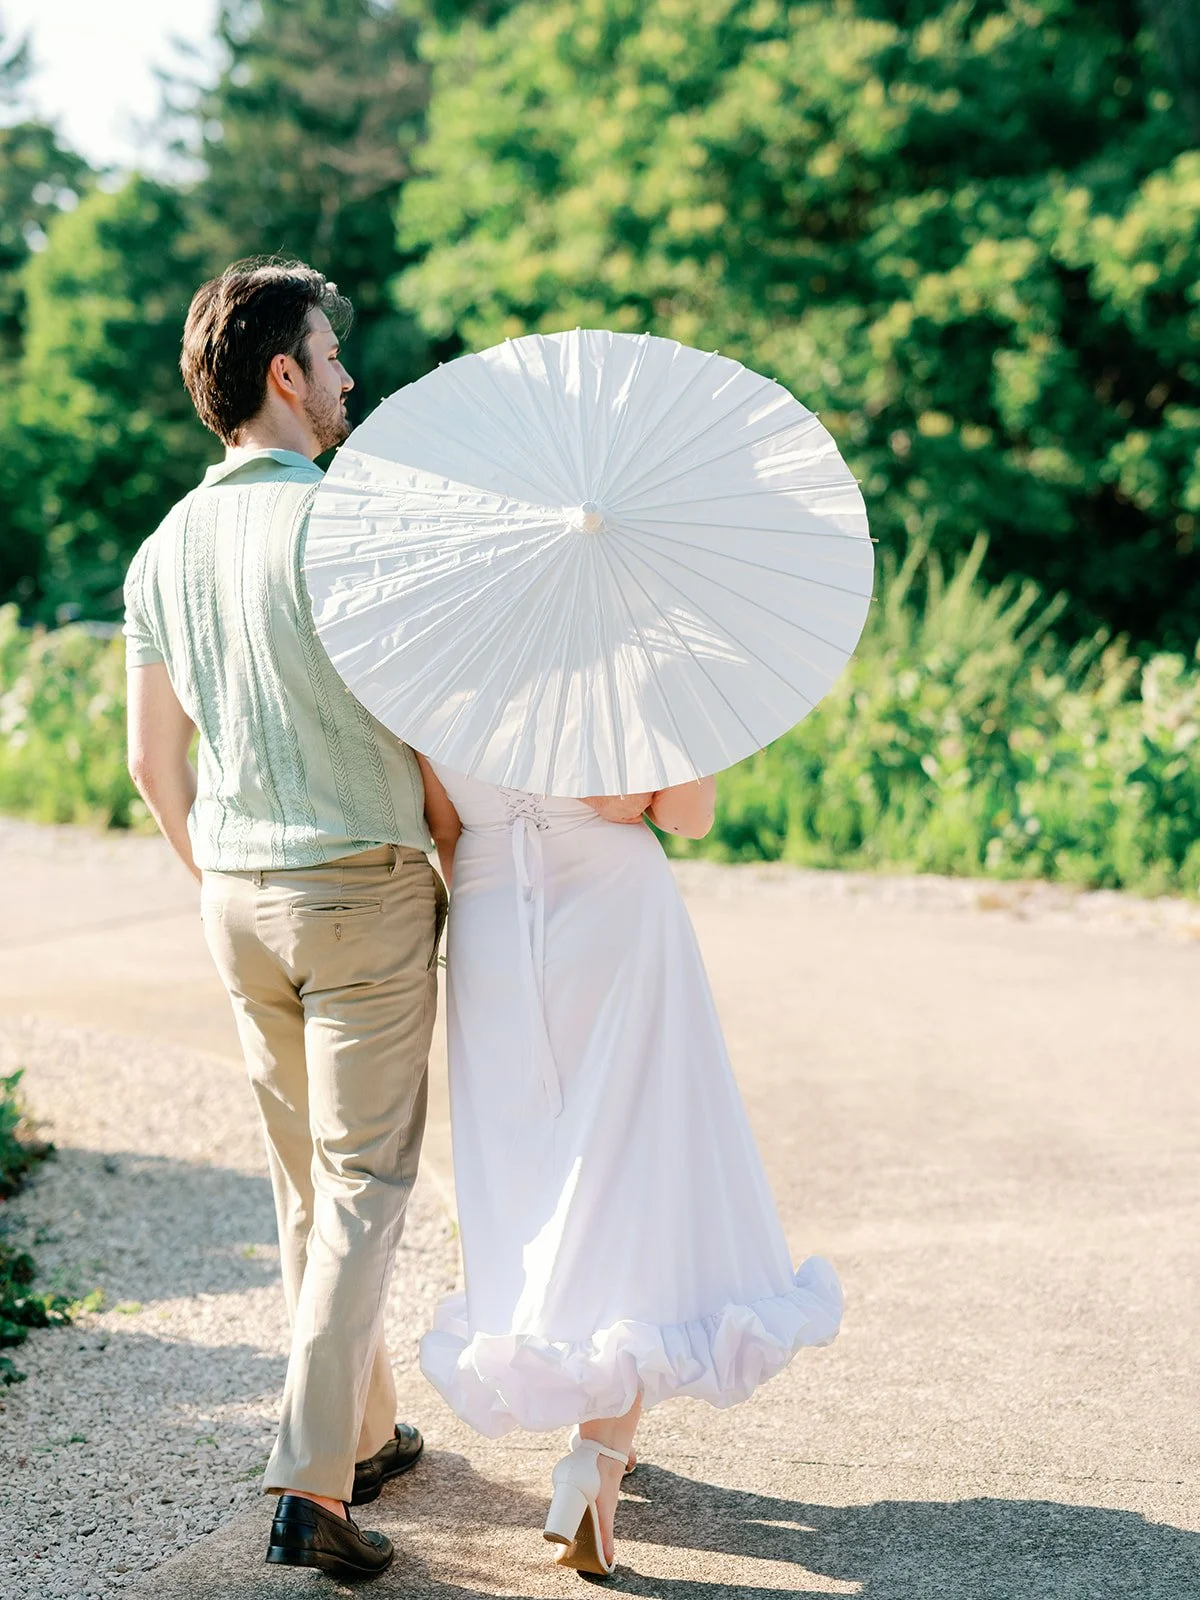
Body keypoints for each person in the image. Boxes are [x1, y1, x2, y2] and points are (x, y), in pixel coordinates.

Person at [123, 258, 446, 1581]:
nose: (349, 378)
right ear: (284, 377)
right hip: (359, 884)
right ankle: (313, 1483)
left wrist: (221, 880)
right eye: (332, 354)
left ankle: (363, 1432)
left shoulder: (159, 551)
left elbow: (153, 764)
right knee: (366, 1187)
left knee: (308, 1182)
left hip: (236, 893)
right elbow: (427, 733)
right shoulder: (351, 527)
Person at [414, 759, 843, 1576]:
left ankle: (594, 1417)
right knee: (631, 1167)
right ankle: (595, 1459)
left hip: (488, 912)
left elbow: (444, 821)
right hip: (614, 913)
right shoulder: (612, 648)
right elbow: (688, 816)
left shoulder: (446, 658)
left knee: (533, 1174)